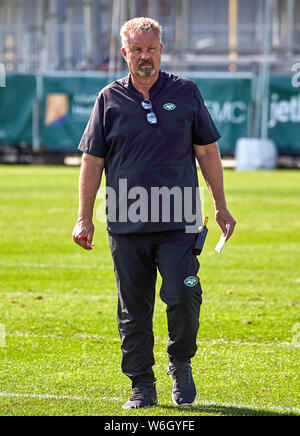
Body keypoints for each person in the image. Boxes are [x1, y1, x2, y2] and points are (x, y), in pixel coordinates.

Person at [73, 17, 236, 409]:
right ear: (125, 53)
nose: (145, 57)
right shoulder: (108, 99)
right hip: (127, 222)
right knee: (133, 311)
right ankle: (142, 386)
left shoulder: (186, 92)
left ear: (161, 50)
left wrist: (221, 206)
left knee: (184, 292)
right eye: (137, 50)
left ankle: (180, 360)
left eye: (151, 49)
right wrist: (83, 216)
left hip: (179, 220)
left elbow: (207, 151)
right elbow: (92, 161)